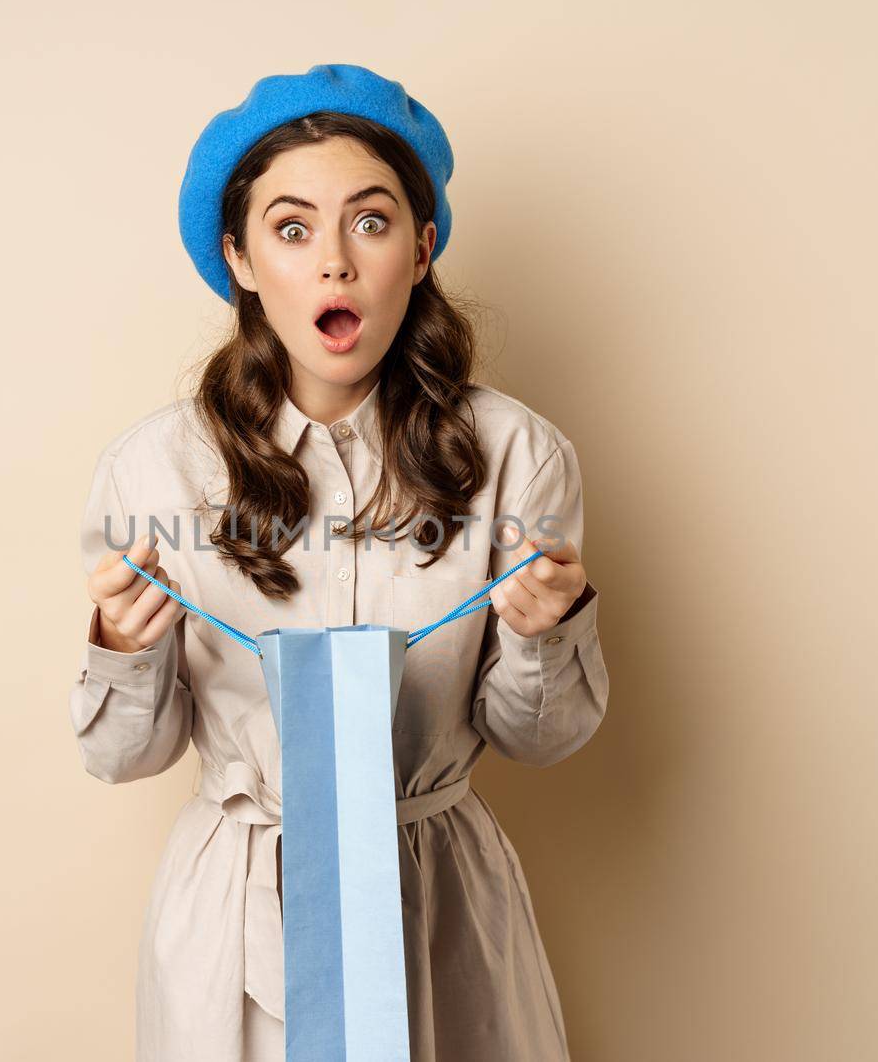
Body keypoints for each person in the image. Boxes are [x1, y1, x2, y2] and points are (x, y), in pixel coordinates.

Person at [70, 63, 610, 1062]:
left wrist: (546, 631)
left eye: (370, 221)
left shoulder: (520, 456)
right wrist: (122, 644)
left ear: (422, 246)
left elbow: (542, 738)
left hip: (439, 901)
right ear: (237, 258)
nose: (333, 262)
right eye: (290, 228)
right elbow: (121, 755)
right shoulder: (153, 468)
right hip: (234, 916)